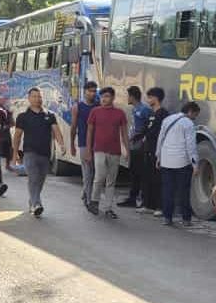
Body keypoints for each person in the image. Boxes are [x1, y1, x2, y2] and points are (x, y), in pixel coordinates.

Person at [13, 87, 65, 217]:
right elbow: (17, 136)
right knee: (33, 177)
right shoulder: (23, 117)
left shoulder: (49, 115)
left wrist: (62, 145)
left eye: (39, 96)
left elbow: (56, 131)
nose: (37, 99)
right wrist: (15, 153)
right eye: (34, 96)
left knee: (40, 181)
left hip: (45, 154)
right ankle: (37, 204)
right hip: (29, 153)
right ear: (29, 98)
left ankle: (33, 201)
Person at [84, 86, 129, 218]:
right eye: (102, 96)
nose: (104, 99)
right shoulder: (95, 112)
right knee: (99, 177)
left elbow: (124, 133)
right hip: (99, 150)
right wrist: (88, 150)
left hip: (115, 151)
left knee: (111, 181)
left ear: (113, 98)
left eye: (107, 96)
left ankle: (108, 207)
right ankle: (94, 201)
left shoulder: (120, 113)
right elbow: (90, 132)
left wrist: (127, 150)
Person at [156, 102, 200, 227]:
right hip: (182, 162)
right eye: (195, 115)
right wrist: (195, 164)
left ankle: (167, 217)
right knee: (183, 191)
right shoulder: (189, 124)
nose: (195, 118)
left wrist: (158, 157)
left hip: (166, 160)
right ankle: (186, 219)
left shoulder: (167, 119)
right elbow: (191, 146)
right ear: (191, 111)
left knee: (167, 190)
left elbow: (161, 139)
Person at [118, 86, 152, 209]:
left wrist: (138, 137)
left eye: (128, 96)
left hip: (140, 146)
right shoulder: (134, 110)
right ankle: (132, 197)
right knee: (133, 172)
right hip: (133, 146)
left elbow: (148, 126)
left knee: (140, 173)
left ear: (132, 97)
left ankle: (141, 198)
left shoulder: (144, 110)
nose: (128, 98)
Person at [139, 88, 169, 216]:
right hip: (147, 149)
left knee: (158, 180)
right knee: (147, 178)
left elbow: (160, 132)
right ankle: (147, 204)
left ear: (156, 98)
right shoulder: (151, 113)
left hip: (156, 151)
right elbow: (146, 129)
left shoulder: (163, 114)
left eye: (150, 97)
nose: (148, 100)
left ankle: (159, 206)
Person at [70, 81, 99, 212]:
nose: (92, 93)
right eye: (90, 91)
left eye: (94, 91)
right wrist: (72, 144)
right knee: (88, 172)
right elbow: (73, 126)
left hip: (97, 144)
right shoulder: (78, 107)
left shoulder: (98, 106)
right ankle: (87, 198)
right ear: (85, 91)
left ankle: (85, 192)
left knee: (92, 172)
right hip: (83, 143)